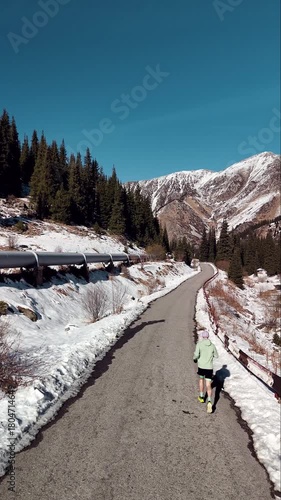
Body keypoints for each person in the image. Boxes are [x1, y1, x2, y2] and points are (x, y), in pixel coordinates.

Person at [193, 330, 218, 413]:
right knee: (208, 384)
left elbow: (196, 355)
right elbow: (216, 355)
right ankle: (210, 401)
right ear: (208, 337)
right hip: (209, 368)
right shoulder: (212, 346)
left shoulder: (199, 344)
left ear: (202, 337)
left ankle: (201, 396)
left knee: (201, 380)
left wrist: (195, 359)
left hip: (201, 366)